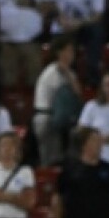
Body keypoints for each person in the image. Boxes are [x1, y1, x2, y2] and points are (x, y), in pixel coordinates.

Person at [32, 37, 82, 167]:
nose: (71, 55)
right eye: (68, 51)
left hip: (58, 120)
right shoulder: (52, 71)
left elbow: (78, 92)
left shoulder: (68, 72)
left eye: (72, 51)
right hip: (47, 118)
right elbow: (71, 92)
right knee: (50, 161)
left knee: (58, 159)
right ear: (59, 52)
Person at [78, 73, 109, 168]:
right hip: (97, 160)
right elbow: (81, 132)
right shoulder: (92, 106)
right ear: (102, 87)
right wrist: (100, 140)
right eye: (108, 85)